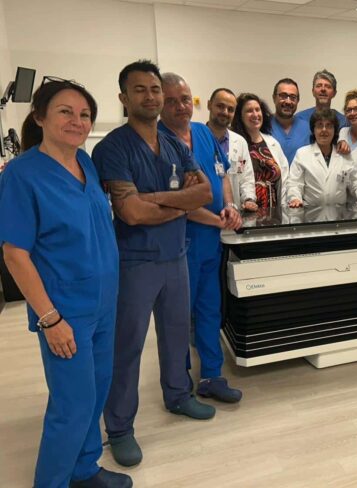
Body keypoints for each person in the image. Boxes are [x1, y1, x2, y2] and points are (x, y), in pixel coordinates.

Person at [0, 80, 131, 487]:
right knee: (72, 405)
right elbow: (15, 255)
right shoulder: (22, 175)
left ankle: (84, 469)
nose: (77, 121)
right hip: (64, 310)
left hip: (104, 303)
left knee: (96, 392)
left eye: (85, 114)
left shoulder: (85, 162)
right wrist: (50, 318)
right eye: (65, 112)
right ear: (40, 117)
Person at [92, 60, 215, 468]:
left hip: (175, 256)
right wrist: (178, 203)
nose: (150, 96)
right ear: (124, 98)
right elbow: (131, 214)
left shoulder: (174, 144)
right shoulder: (112, 148)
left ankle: (178, 396)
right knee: (126, 347)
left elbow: (205, 194)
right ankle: (120, 428)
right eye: (140, 90)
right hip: (136, 262)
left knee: (177, 334)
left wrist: (155, 199)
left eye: (155, 89)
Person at [159, 73, 244, 404]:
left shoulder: (204, 134)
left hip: (211, 242)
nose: (181, 106)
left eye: (185, 99)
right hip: (181, 244)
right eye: (171, 101)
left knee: (210, 310)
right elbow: (174, 202)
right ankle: (179, 386)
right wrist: (217, 220)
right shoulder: (156, 142)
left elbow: (221, 176)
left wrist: (230, 207)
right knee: (179, 318)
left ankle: (211, 375)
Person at [287, 109, 357, 207]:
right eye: (319, 125)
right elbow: (294, 184)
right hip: (311, 212)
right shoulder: (302, 154)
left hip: (339, 213)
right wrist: (295, 198)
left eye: (329, 126)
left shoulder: (344, 155)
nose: (324, 130)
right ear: (313, 130)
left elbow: (356, 184)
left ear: (335, 130)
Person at [231, 93, 289, 207]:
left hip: (274, 210)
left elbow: (285, 176)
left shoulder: (272, 143)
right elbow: (238, 176)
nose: (255, 114)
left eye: (257, 110)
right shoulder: (237, 145)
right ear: (240, 116)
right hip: (246, 208)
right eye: (249, 111)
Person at [206, 87, 257, 211]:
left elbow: (245, 176)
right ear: (209, 105)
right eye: (220, 106)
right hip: (204, 213)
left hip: (233, 213)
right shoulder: (196, 137)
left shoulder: (239, 142)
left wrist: (248, 199)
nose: (225, 112)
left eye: (230, 109)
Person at [270, 78, 311, 163]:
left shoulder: (308, 129)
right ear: (274, 98)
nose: (288, 101)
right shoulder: (263, 126)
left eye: (293, 97)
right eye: (283, 96)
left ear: (298, 101)